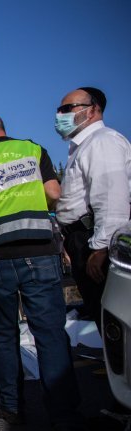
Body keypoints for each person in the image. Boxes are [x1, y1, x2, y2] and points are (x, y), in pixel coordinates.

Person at [0, 112, 86, 431]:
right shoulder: (33, 149)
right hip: (38, 252)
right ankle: (65, 419)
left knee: (3, 335)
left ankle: (12, 407)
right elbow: (54, 193)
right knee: (50, 334)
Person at [55, 87, 131, 327]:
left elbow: (111, 197)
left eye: (68, 109)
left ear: (93, 110)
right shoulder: (83, 146)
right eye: (59, 110)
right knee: (102, 317)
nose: (60, 115)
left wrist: (101, 248)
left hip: (97, 242)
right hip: (84, 239)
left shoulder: (102, 141)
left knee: (113, 320)